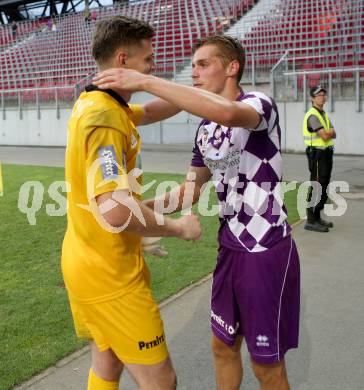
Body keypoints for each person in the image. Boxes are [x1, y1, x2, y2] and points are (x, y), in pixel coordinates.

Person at [94, 35, 300, 390]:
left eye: (204, 64)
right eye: (193, 65)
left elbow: (227, 112)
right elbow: (188, 192)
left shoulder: (258, 104)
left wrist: (144, 81)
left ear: (232, 67)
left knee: (266, 366)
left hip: (265, 249)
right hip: (230, 248)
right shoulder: (205, 129)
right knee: (222, 347)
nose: (195, 71)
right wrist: (132, 213)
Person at [61, 16, 201, 390]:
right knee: (161, 381)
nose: (151, 67)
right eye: (147, 60)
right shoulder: (106, 116)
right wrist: (176, 227)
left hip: (86, 259)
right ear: (123, 61)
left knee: (107, 364)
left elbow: (153, 111)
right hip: (110, 273)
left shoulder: (97, 102)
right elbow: (116, 211)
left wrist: (198, 92)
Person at [303, 85, 336, 232]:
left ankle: (317, 217)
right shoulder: (313, 115)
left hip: (326, 154)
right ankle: (310, 220)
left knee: (323, 185)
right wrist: (329, 132)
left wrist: (330, 132)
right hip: (317, 154)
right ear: (312, 98)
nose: (322, 97)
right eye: (319, 95)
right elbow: (325, 135)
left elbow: (334, 133)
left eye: (323, 95)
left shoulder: (323, 114)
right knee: (317, 185)